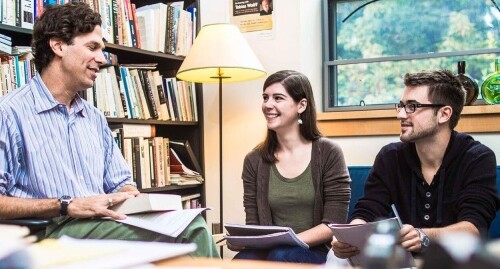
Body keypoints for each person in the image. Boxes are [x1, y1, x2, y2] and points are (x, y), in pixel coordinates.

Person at [0, 2, 218, 258]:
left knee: (183, 222)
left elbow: (120, 182)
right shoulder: (10, 112)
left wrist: (131, 196)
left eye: (101, 49)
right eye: (92, 47)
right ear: (58, 46)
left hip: (100, 224)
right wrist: (66, 205)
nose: (102, 60)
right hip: (46, 232)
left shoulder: (93, 118)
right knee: (192, 230)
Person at [331, 70, 499, 260]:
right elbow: (369, 210)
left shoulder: (477, 158)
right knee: (334, 259)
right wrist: (349, 236)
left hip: (454, 264)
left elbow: (473, 228)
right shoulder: (390, 157)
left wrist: (423, 235)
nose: (401, 115)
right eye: (401, 106)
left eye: (412, 106)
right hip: (400, 264)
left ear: (444, 114)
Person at [231, 70, 351, 264]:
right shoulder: (254, 159)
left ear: (301, 105)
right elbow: (254, 224)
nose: (268, 105)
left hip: (314, 250)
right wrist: (243, 241)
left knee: (281, 256)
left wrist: (287, 241)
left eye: (278, 98)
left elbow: (333, 225)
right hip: (270, 251)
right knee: (241, 261)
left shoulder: (329, 152)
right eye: (265, 97)